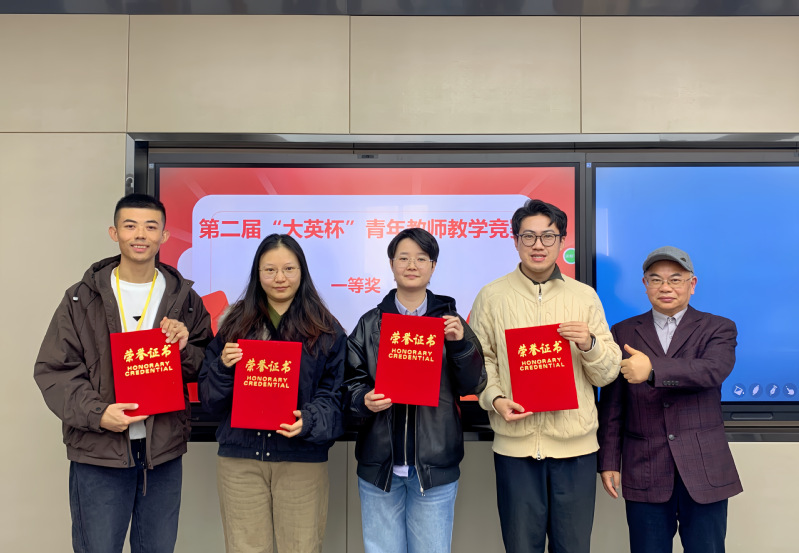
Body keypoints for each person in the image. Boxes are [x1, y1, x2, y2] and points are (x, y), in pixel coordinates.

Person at [33, 194, 213, 553]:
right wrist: (98, 414)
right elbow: (54, 370)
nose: (140, 235)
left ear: (164, 236)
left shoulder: (185, 300)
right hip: (99, 452)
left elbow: (207, 365)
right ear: (114, 233)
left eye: (151, 227)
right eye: (130, 226)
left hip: (162, 453)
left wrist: (183, 348)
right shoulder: (81, 299)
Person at [469, 199, 620, 553]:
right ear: (515, 240)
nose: (538, 245)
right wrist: (495, 399)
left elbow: (608, 372)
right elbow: (479, 361)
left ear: (562, 240)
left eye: (548, 236)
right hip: (516, 448)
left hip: (576, 450)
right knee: (521, 546)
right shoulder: (492, 296)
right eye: (529, 236)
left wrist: (590, 344)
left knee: (573, 547)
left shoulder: (584, 297)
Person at [199, 233, 347, 553]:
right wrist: (223, 367)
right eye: (270, 270)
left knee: (302, 548)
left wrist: (309, 420)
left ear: (302, 272)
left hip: (301, 459)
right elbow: (209, 399)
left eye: (289, 269)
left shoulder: (326, 329)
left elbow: (336, 396)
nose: (280, 278)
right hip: (241, 461)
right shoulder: (233, 324)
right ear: (258, 274)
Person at [343, 227, 486, 553]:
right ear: (391, 264)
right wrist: (364, 399)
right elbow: (349, 382)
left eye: (421, 258)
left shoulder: (451, 324)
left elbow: (474, 383)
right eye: (403, 258)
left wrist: (459, 345)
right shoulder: (370, 324)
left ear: (433, 266)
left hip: (434, 470)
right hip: (379, 468)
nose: (412, 265)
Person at [597, 246, 742, 553]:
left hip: (704, 467)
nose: (665, 287)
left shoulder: (718, 327)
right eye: (656, 279)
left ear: (692, 284)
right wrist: (609, 461)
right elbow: (613, 405)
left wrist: (652, 370)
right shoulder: (623, 332)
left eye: (675, 279)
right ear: (645, 284)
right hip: (645, 467)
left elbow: (712, 371)